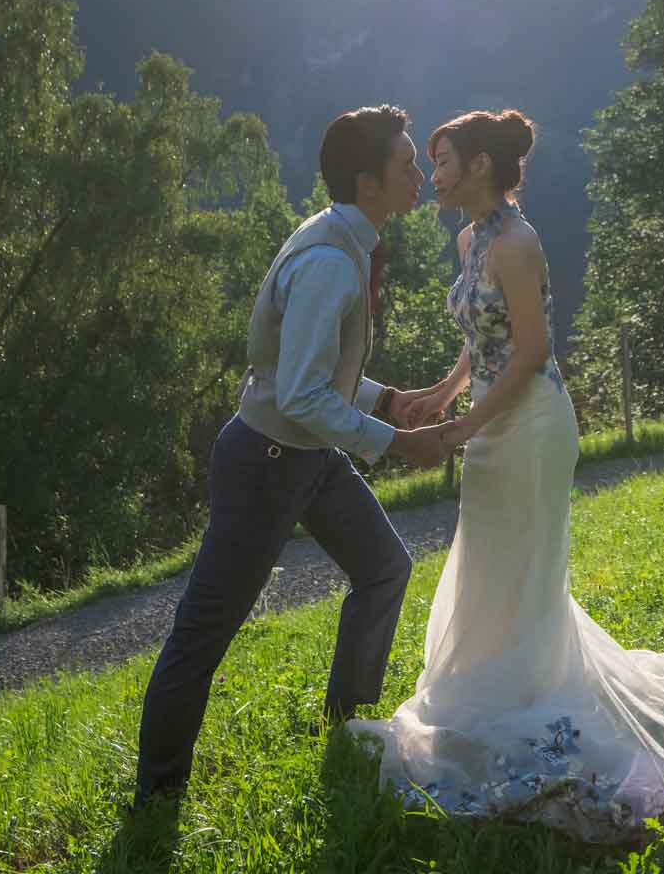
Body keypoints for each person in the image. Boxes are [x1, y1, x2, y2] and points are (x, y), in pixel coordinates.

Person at [348, 109, 664, 841]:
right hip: (489, 423)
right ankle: (498, 691)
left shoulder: (518, 242)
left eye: (443, 162)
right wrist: (443, 396)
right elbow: (483, 342)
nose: (433, 176)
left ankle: (536, 700)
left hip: (533, 427)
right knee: (486, 568)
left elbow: (532, 353)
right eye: (431, 163)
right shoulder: (469, 237)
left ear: (480, 166)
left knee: (527, 574)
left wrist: (458, 429)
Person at [134, 105, 456, 804]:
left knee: (384, 570)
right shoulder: (331, 266)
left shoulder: (342, 235)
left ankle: (346, 729)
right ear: (368, 182)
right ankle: (156, 799)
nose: (420, 175)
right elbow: (304, 396)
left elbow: (304, 371)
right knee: (203, 635)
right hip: (267, 463)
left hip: (305, 456)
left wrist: (386, 398)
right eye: (406, 165)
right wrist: (399, 444)